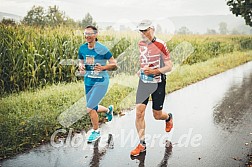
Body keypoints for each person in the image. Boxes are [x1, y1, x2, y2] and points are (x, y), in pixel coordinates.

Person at [130, 19, 173, 156]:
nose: (143, 33)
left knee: (157, 115)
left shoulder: (161, 44)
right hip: (144, 81)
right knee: (139, 112)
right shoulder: (140, 43)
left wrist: (154, 72)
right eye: (141, 31)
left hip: (158, 82)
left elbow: (169, 66)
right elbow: (144, 59)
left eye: (145, 30)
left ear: (152, 29)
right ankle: (142, 144)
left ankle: (168, 118)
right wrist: (141, 70)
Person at [78, 25, 117, 143]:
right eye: (85, 33)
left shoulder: (103, 49)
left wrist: (104, 67)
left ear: (96, 35)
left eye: (90, 34)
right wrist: (81, 66)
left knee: (89, 108)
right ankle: (108, 110)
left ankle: (96, 131)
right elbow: (80, 60)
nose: (87, 36)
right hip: (88, 81)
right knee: (93, 107)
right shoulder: (82, 48)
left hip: (101, 82)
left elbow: (114, 65)